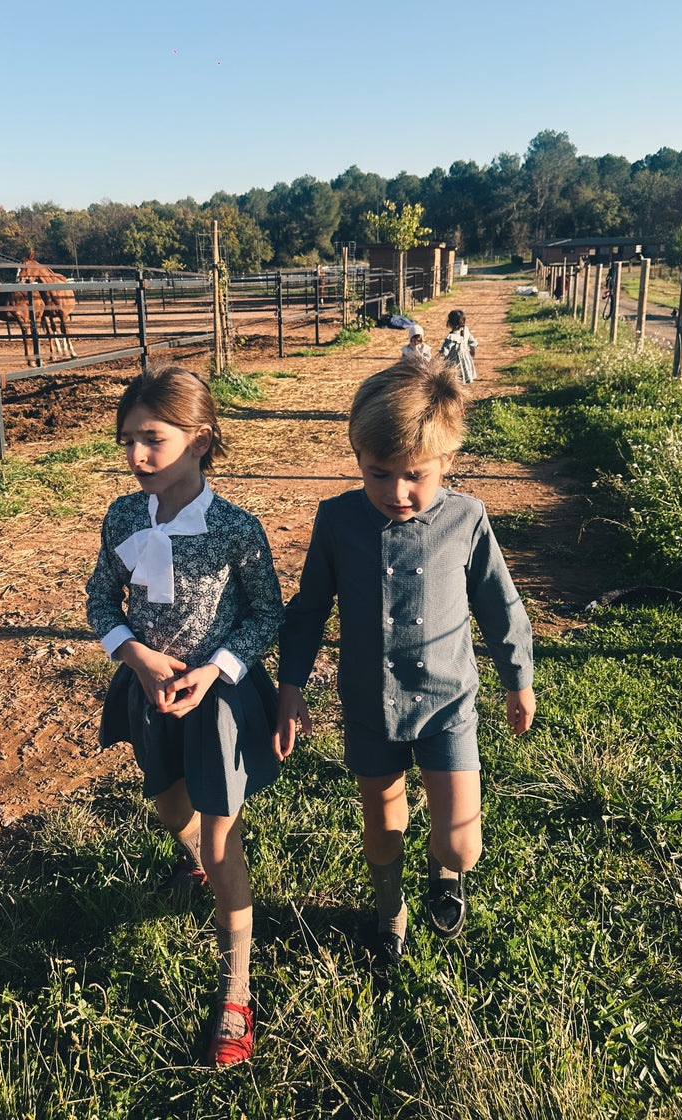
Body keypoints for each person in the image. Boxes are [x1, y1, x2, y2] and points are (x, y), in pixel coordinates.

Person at [274, 360, 534, 967]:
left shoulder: (467, 519)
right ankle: (390, 911)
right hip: (369, 705)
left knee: (460, 842)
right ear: (358, 460)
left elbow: (499, 603)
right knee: (384, 825)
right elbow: (309, 610)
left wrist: (516, 677)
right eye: (378, 474)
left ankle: (447, 876)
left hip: (448, 705)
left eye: (414, 475)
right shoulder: (337, 521)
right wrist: (290, 688)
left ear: (448, 459)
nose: (396, 492)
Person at [86, 365, 283, 1068]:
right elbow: (100, 602)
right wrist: (134, 655)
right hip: (149, 692)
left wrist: (215, 669)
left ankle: (236, 992)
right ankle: (195, 863)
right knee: (171, 808)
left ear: (200, 440)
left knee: (223, 836)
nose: (136, 456)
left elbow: (267, 613)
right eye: (128, 440)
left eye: (152, 439)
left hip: (217, 699)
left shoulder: (236, 529)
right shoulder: (121, 517)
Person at [440, 309, 479, 383]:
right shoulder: (466, 330)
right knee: (462, 378)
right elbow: (472, 342)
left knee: (453, 380)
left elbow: (445, 351)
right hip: (465, 359)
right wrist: (472, 350)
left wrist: (437, 358)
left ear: (450, 323)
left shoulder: (451, 337)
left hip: (454, 363)